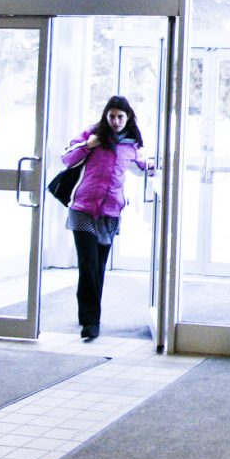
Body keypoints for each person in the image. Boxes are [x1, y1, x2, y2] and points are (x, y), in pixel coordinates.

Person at [58, 95, 155, 341]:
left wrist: (159, 165)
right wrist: (88, 145)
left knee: (98, 267)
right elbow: (67, 157)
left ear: (128, 117)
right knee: (88, 264)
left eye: (120, 116)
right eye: (111, 116)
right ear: (105, 116)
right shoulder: (92, 135)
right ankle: (91, 321)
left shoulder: (131, 145)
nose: (115, 121)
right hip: (83, 208)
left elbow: (144, 166)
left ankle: (87, 314)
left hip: (110, 213)